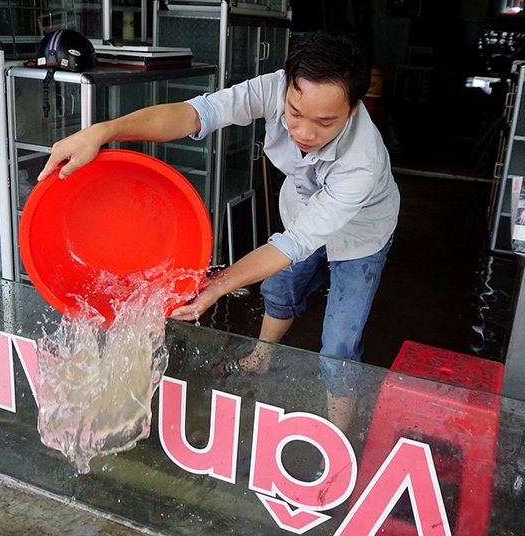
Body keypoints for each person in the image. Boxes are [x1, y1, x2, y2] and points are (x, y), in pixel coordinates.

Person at [37, 29, 400, 427]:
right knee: (278, 290)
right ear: (287, 89)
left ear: (353, 109)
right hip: (303, 210)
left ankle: (339, 433)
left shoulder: (362, 162)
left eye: (324, 122)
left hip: (361, 234)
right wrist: (102, 131)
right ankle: (260, 359)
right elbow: (196, 114)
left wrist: (217, 285)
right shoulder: (275, 88)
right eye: (295, 114)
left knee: (339, 345)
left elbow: (292, 244)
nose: (304, 132)